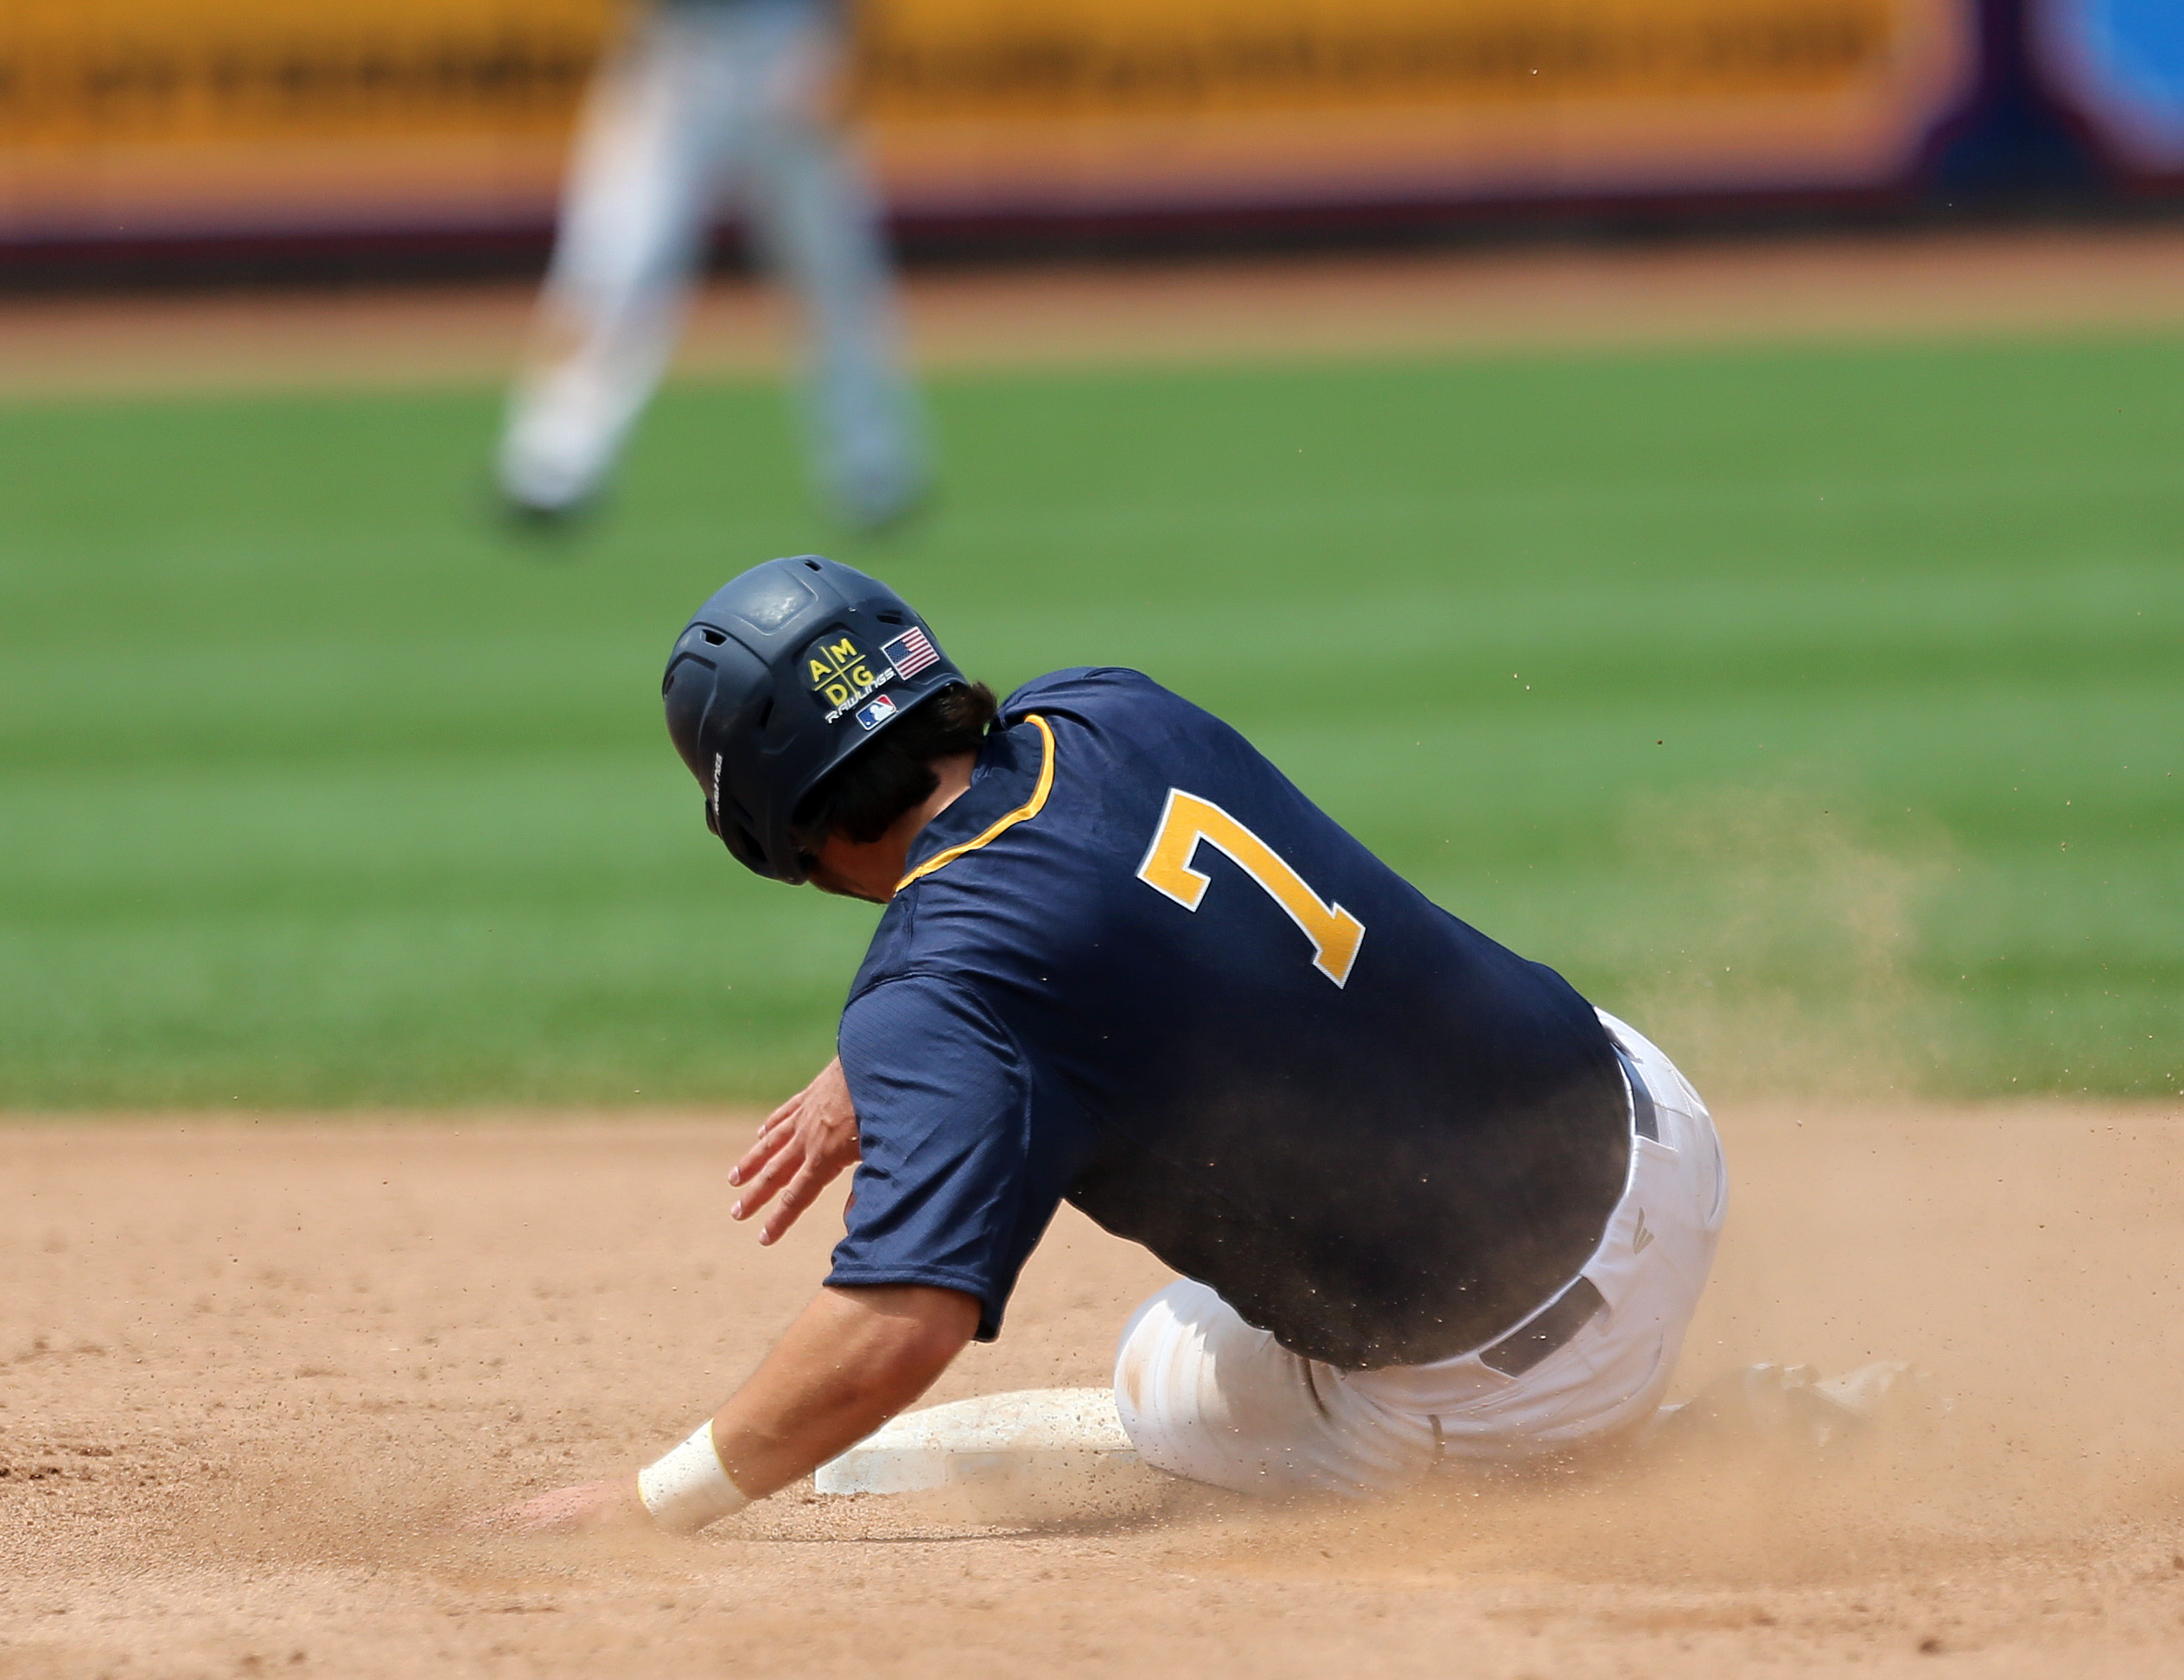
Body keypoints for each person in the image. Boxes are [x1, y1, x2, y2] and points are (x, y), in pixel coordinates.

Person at [487, 556, 1729, 1530]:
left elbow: (897, 1324)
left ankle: (1647, 1453)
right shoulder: (1104, 709)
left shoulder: (942, 990)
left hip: (1525, 1384)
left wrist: (649, 1506)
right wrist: (890, 1041)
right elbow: (1088, 904)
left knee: (1158, 1366)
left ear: (768, 827)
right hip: (1651, 1118)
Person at [493, 0, 927, 533]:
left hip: (790, 41)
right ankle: (554, 463)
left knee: (835, 267)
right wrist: (633, 35)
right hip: (673, 45)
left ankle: (874, 465)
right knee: (614, 261)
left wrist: (844, 55)